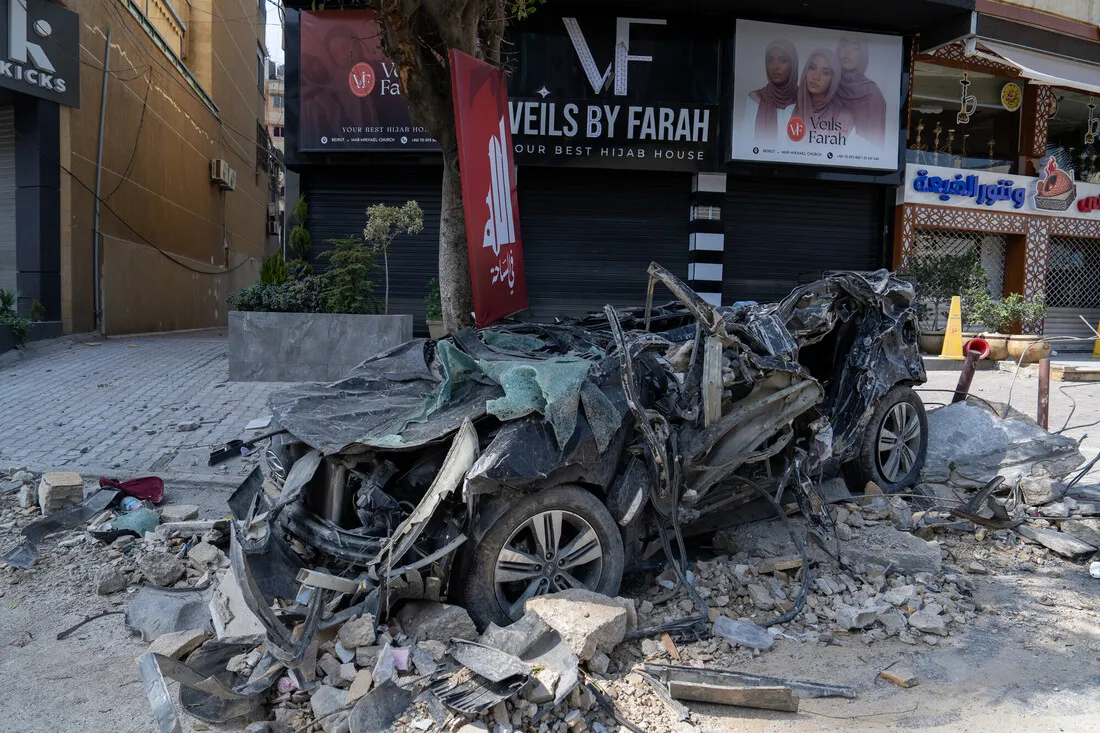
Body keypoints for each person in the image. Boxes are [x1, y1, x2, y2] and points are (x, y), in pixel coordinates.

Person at [836, 35, 887, 147]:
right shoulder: (829, 85)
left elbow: (875, 145)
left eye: (855, 48)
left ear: (863, 55)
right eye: (844, 45)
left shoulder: (872, 94)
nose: (847, 52)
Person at [745, 39, 799, 144]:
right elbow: (745, 142)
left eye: (782, 61)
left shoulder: (805, 100)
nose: (775, 67)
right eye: (770, 60)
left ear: (793, 64)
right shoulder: (755, 100)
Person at [793, 48, 852, 135]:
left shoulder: (844, 118)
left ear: (833, 79)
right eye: (812, 68)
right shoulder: (789, 112)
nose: (816, 77)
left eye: (825, 73)